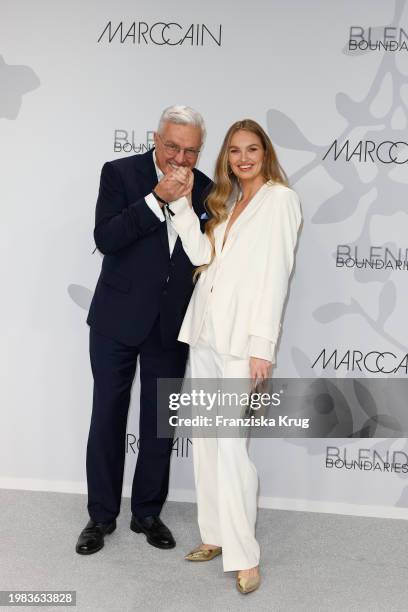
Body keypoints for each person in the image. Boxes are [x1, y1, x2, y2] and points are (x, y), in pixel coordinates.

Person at [164, 119, 302, 593]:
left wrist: (263, 348)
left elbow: (277, 277)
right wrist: (181, 205)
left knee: (230, 447)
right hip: (205, 333)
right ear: (225, 157)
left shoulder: (280, 200)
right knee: (204, 439)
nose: (243, 158)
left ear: (265, 154)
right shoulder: (225, 203)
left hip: (242, 344)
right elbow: (203, 253)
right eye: (235, 150)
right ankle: (215, 535)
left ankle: (246, 555)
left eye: (252, 149)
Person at [76, 105, 212, 555]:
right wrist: (156, 199)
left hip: (171, 325)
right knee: (107, 416)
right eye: (172, 145)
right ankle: (100, 517)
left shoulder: (208, 189)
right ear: (156, 138)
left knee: (159, 425)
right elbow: (106, 238)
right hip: (116, 319)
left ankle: (148, 513)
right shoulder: (120, 174)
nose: (180, 157)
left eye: (190, 150)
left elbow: (203, 259)